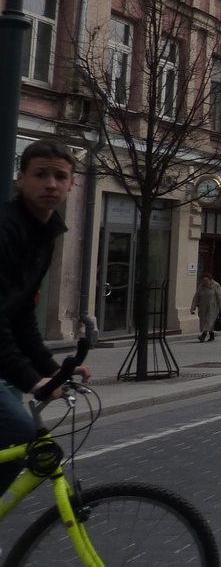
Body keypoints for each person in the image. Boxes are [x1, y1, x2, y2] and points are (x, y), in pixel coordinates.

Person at [0, 140, 91, 488]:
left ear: (72, 183)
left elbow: (22, 314)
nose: (50, 184)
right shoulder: (8, 230)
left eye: (59, 176)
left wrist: (51, 369)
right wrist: (31, 379)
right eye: (40, 175)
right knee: (18, 435)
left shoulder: (43, 234)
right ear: (21, 178)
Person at [190, 273, 221, 342]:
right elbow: (196, 297)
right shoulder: (201, 286)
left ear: (210, 280)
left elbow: (220, 297)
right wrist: (193, 306)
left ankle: (203, 335)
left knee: (209, 321)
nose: (204, 282)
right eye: (203, 280)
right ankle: (211, 334)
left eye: (206, 280)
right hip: (203, 307)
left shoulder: (216, 285)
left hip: (213, 307)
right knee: (204, 321)